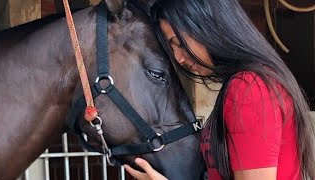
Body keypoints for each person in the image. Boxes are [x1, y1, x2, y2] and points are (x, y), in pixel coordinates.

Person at [123, 0, 315, 179]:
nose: (178, 58)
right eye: (172, 48)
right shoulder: (245, 85)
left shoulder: (249, 89)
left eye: (179, 43)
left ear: (208, 27)